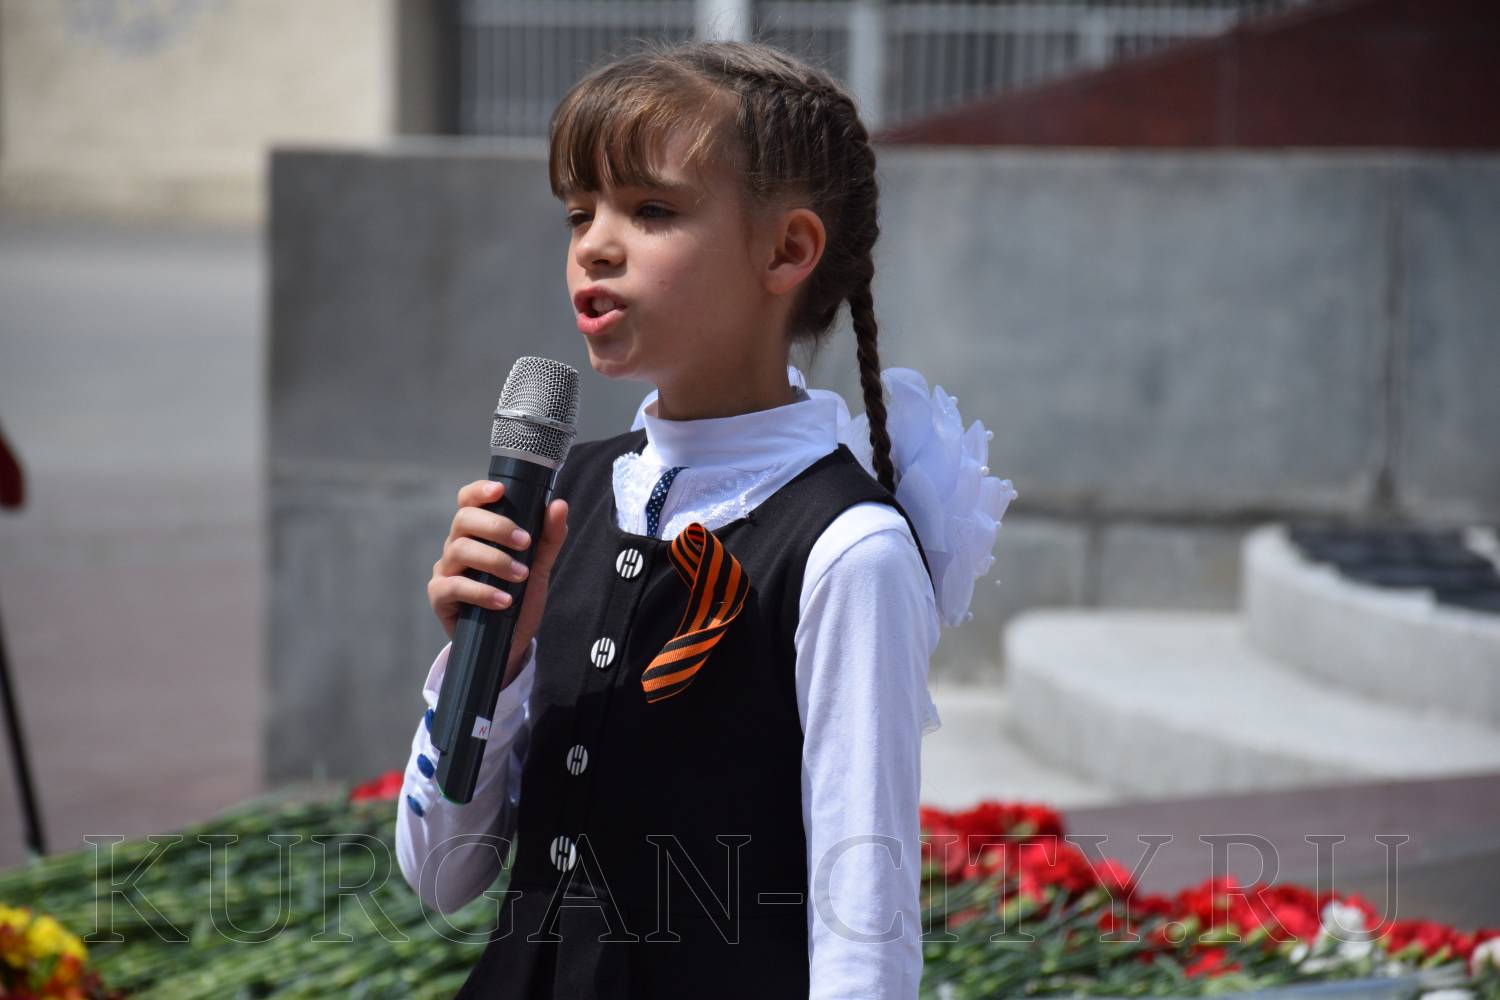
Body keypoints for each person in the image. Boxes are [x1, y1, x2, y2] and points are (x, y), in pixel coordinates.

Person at [394, 38, 1015, 999]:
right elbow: (441, 874)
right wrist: (494, 663)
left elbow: (864, 928)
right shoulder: (570, 495)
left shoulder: (845, 548)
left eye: (651, 211)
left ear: (787, 250)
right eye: (580, 213)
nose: (596, 245)